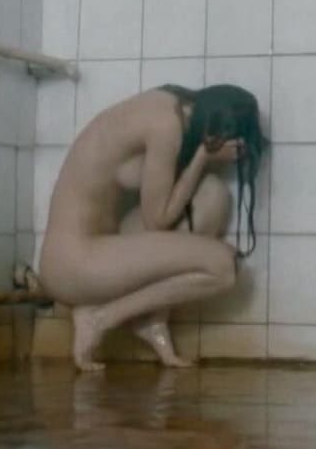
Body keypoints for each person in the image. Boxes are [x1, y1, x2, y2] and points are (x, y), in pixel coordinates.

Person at [38, 84, 268, 372]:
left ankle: (150, 322)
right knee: (224, 267)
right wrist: (202, 157)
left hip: (101, 246)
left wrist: (202, 157)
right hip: (72, 262)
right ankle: (99, 319)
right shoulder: (165, 126)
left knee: (212, 196)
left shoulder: (168, 105)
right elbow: (157, 220)